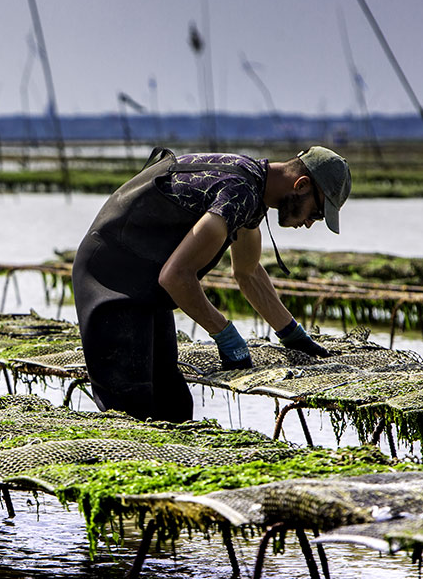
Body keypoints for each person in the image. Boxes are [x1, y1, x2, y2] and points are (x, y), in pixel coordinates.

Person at [71, 146, 351, 422]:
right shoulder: (239, 190)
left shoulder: (252, 188)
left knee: (174, 406)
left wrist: (292, 335)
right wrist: (225, 334)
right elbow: (176, 276)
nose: (310, 223)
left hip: (144, 287)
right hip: (109, 281)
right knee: (132, 408)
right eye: (316, 213)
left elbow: (248, 273)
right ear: (301, 185)